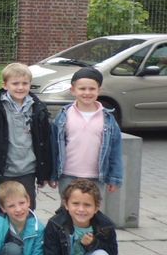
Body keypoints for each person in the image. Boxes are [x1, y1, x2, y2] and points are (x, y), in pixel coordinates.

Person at [0, 62, 54, 210]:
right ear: (5, 85)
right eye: (15, 83)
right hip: (1, 171)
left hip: (27, 171)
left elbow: (45, 142)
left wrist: (45, 173)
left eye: (25, 83)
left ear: (30, 84)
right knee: (0, 211)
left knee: (26, 211)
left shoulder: (38, 109)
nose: (20, 87)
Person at [51, 67, 123, 199]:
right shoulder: (64, 115)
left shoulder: (108, 119)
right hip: (67, 175)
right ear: (73, 90)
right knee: (68, 209)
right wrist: (52, 174)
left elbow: (115, 149)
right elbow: (54, 147)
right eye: (82, 89)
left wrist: (115, 177)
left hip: (96, 176)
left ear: (99, 90)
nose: (87, 93)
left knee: (92, 209)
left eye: (92, 89)